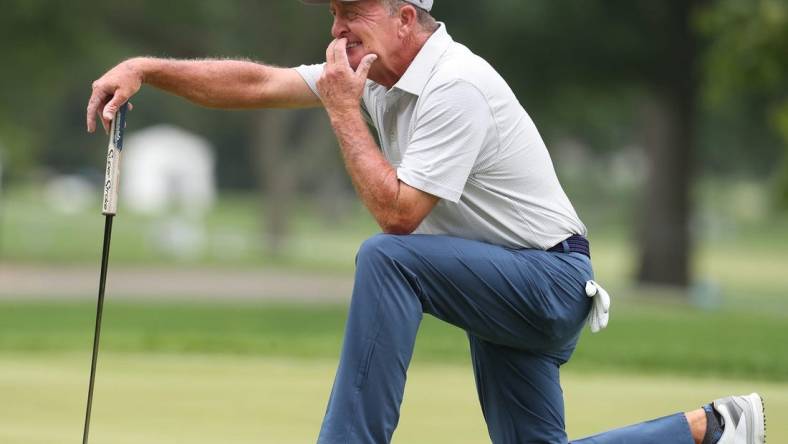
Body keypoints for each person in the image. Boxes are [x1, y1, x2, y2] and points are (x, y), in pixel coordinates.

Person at [86, 1, 766, 443]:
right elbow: (256, 83)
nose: (336, 32)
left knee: (386, 259)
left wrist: (344, 109)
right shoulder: (372, 76)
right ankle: (713, 428)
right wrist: (148, 68)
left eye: (352, 13)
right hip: (498, 279)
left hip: (548, 280)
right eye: (333, 15)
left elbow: (398, 216)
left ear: (406, 17)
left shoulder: (454, 86)